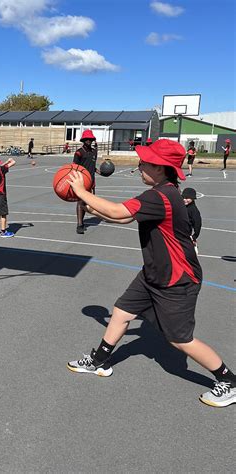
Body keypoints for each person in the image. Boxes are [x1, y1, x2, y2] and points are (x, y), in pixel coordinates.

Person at [66, 138, 235, 408]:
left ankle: (229, 381)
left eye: (145, 162)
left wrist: (81, 191)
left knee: (181, 340)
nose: (140, 165)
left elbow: (117, 210)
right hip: (154, 273)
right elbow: (122, 217)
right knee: (121, 312)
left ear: (160, 168)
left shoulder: (160, 196)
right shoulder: (162, 192)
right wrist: (89, 206)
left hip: (176, 279)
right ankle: (99, 361)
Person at [73, 129, 100, 234]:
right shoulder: (79, 153)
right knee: (80, 201)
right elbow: (74, 167)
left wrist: (101, 172)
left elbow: (93, 167)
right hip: (81, 180)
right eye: (86, 139)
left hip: (91, 181)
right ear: (83, 140)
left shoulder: (94, 151)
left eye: (90, 139)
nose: (89, 140)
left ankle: (82, 222)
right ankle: (79, 225)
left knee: (86, 203)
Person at [182, 187, 201, 255]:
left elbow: (197, 223)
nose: (184, 200)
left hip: (186, 232)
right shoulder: (182, 206)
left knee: (186, 251)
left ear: (193, 199)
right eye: (183, 197)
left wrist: (195, 236)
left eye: (187, 198)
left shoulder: (193, 210)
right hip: (178, 230)